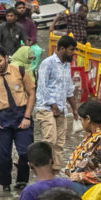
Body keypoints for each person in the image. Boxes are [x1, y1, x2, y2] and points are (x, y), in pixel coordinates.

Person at [0, 45, 35, 191]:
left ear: (6, 58)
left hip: (21, 114)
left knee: (25, 152)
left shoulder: (20, 71)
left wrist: (27, 117)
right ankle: (5, 185)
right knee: (3, 156)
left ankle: (22, 181)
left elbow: (31, 93)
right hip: (0, 118)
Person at [34, 35, 79, 171]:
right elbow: (42, 85)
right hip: (46, 108)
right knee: (49, 140)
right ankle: (41, 168)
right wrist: (53, 105)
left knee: (60, 143)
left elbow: (68, 88)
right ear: (61, 49)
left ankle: (55, 171)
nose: (74, 53)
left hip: (62, 109)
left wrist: (74, 108)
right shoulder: (47, 63)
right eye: (71, 50)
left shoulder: (67, 65)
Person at [63, 101, 101, 192]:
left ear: (88, 119)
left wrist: (82, 176)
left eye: (81, 120)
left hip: (100, 189)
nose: (81, 123)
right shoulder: (93, 137)